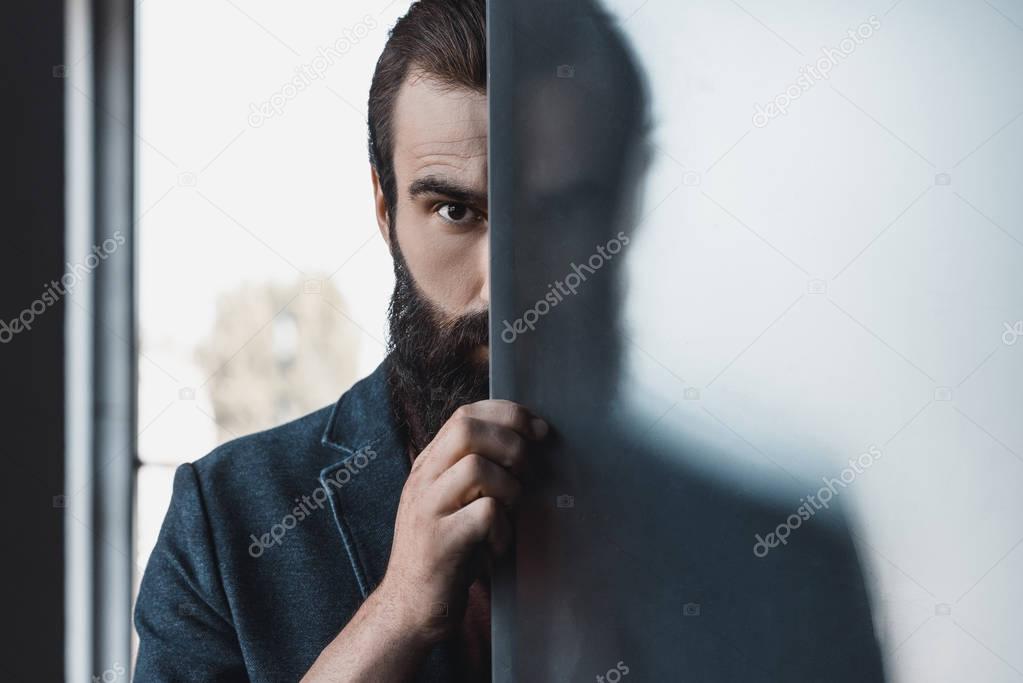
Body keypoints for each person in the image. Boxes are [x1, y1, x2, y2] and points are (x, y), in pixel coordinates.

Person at [133, 2, 525, 680]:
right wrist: (396, 613)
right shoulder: (225, 521)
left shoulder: (728, 517)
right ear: (385, 210)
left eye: (543, 212)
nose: (497, 286)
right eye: (453, 210)